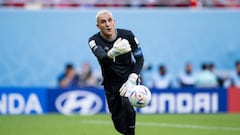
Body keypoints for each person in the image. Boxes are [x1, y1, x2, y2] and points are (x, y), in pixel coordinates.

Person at [88, 10, 144, 135]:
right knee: (120, 127)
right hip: (110, 84)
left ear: (114, 22)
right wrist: (112, 53)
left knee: (126, 101)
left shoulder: (128, 35)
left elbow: (140, 59)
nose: (107, 24)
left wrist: (132, 78)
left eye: (110, 20)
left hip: (129, 78)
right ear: (98, 26)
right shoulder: (93, 40)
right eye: (103, 22)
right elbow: (101, 56)